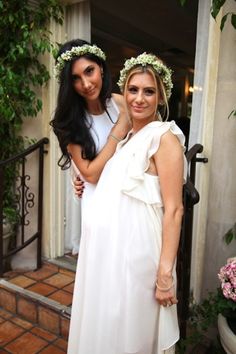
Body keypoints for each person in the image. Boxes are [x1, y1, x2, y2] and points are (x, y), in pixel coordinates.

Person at [67, 53, 187, 354]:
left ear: (161, 97)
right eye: (133, 90)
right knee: (113, 333)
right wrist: (77, 178)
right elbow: (104, 178)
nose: (139, 99)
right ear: (124, 92)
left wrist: (164, 274)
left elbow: (174, 210)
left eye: (149, 91)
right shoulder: (126, 138)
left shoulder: (164, 137)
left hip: (140, 259)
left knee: (134, 336)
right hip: (112, 258)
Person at [50, 39, 129, 254]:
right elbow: (90, 175)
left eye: (89, 71)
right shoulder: (71, 121)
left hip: (129, 203)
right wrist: (117, 133)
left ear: (101, 68)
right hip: (99, 206)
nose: (86, 83)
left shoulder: (122, 103)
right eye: (76, 78)